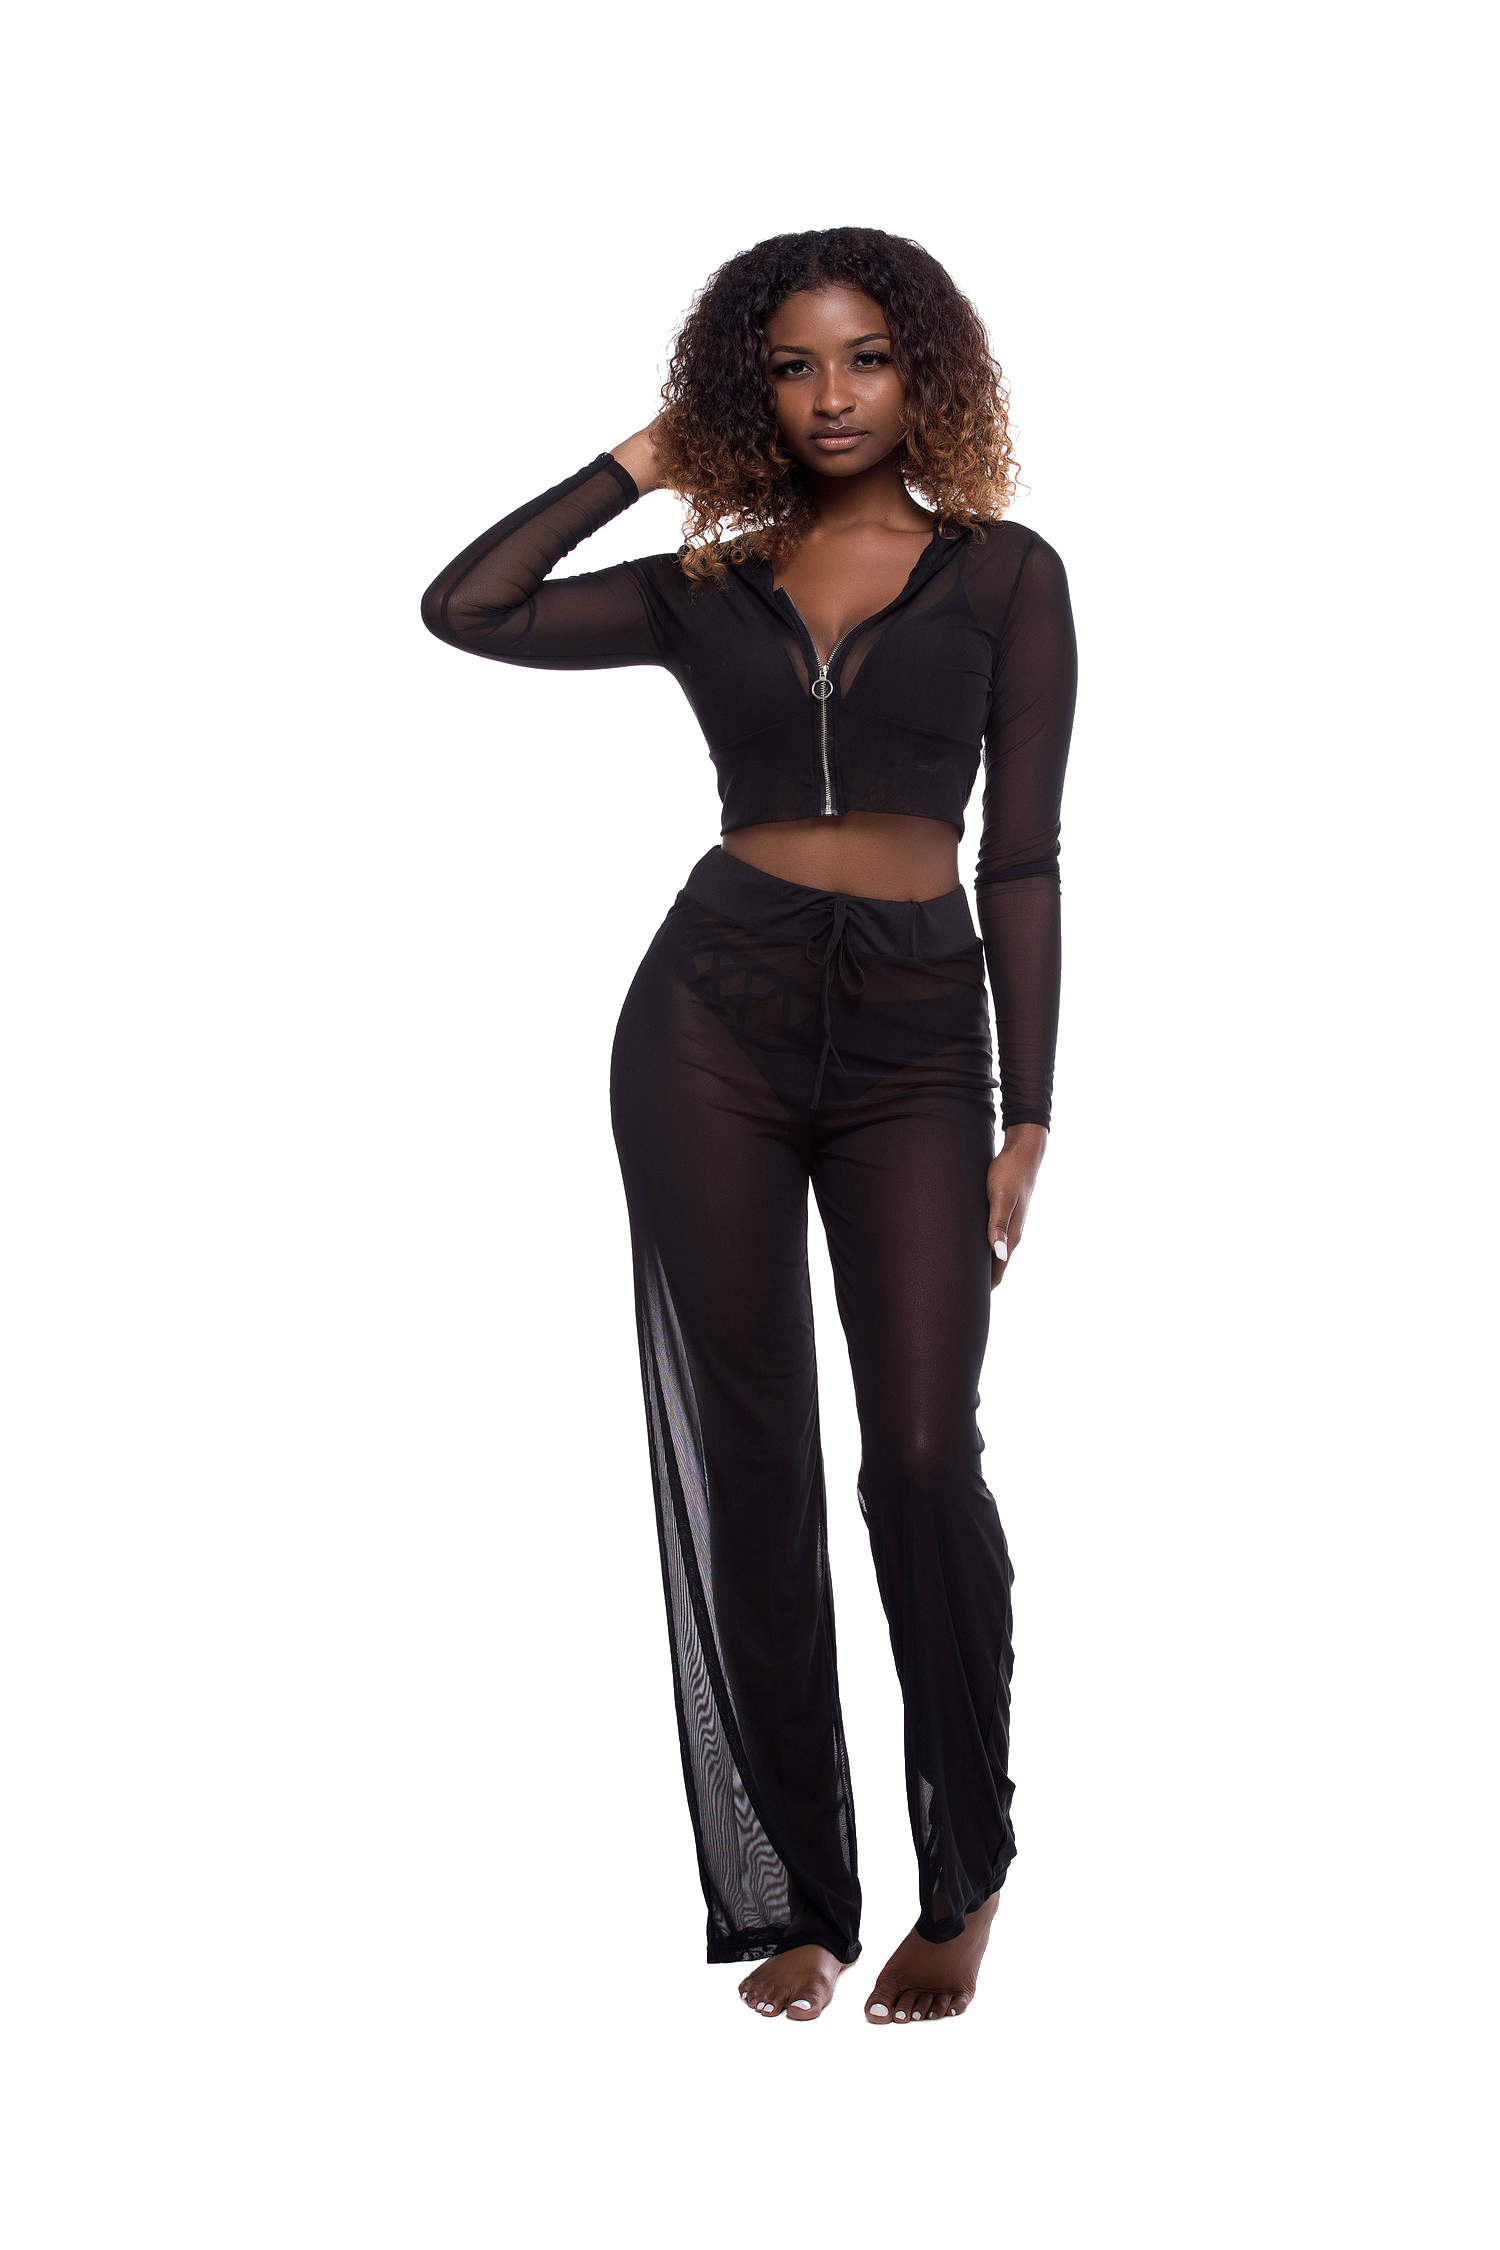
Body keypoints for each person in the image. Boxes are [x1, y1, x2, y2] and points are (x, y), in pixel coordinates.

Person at [420, 229, 1078, 2023]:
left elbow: (1023, 855)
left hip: (921, 1032)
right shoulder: (703, 582)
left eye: (868, 357)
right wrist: (648, 455)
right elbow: (468, 608)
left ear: (925, 370)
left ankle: (965, 1879)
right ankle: (794, 1900)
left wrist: (1030, 1106)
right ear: (747, 389)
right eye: (789, 365)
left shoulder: (1006, 575)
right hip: (710, 1011)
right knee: (750, 1452)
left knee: (921, 1455)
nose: (833, 395)